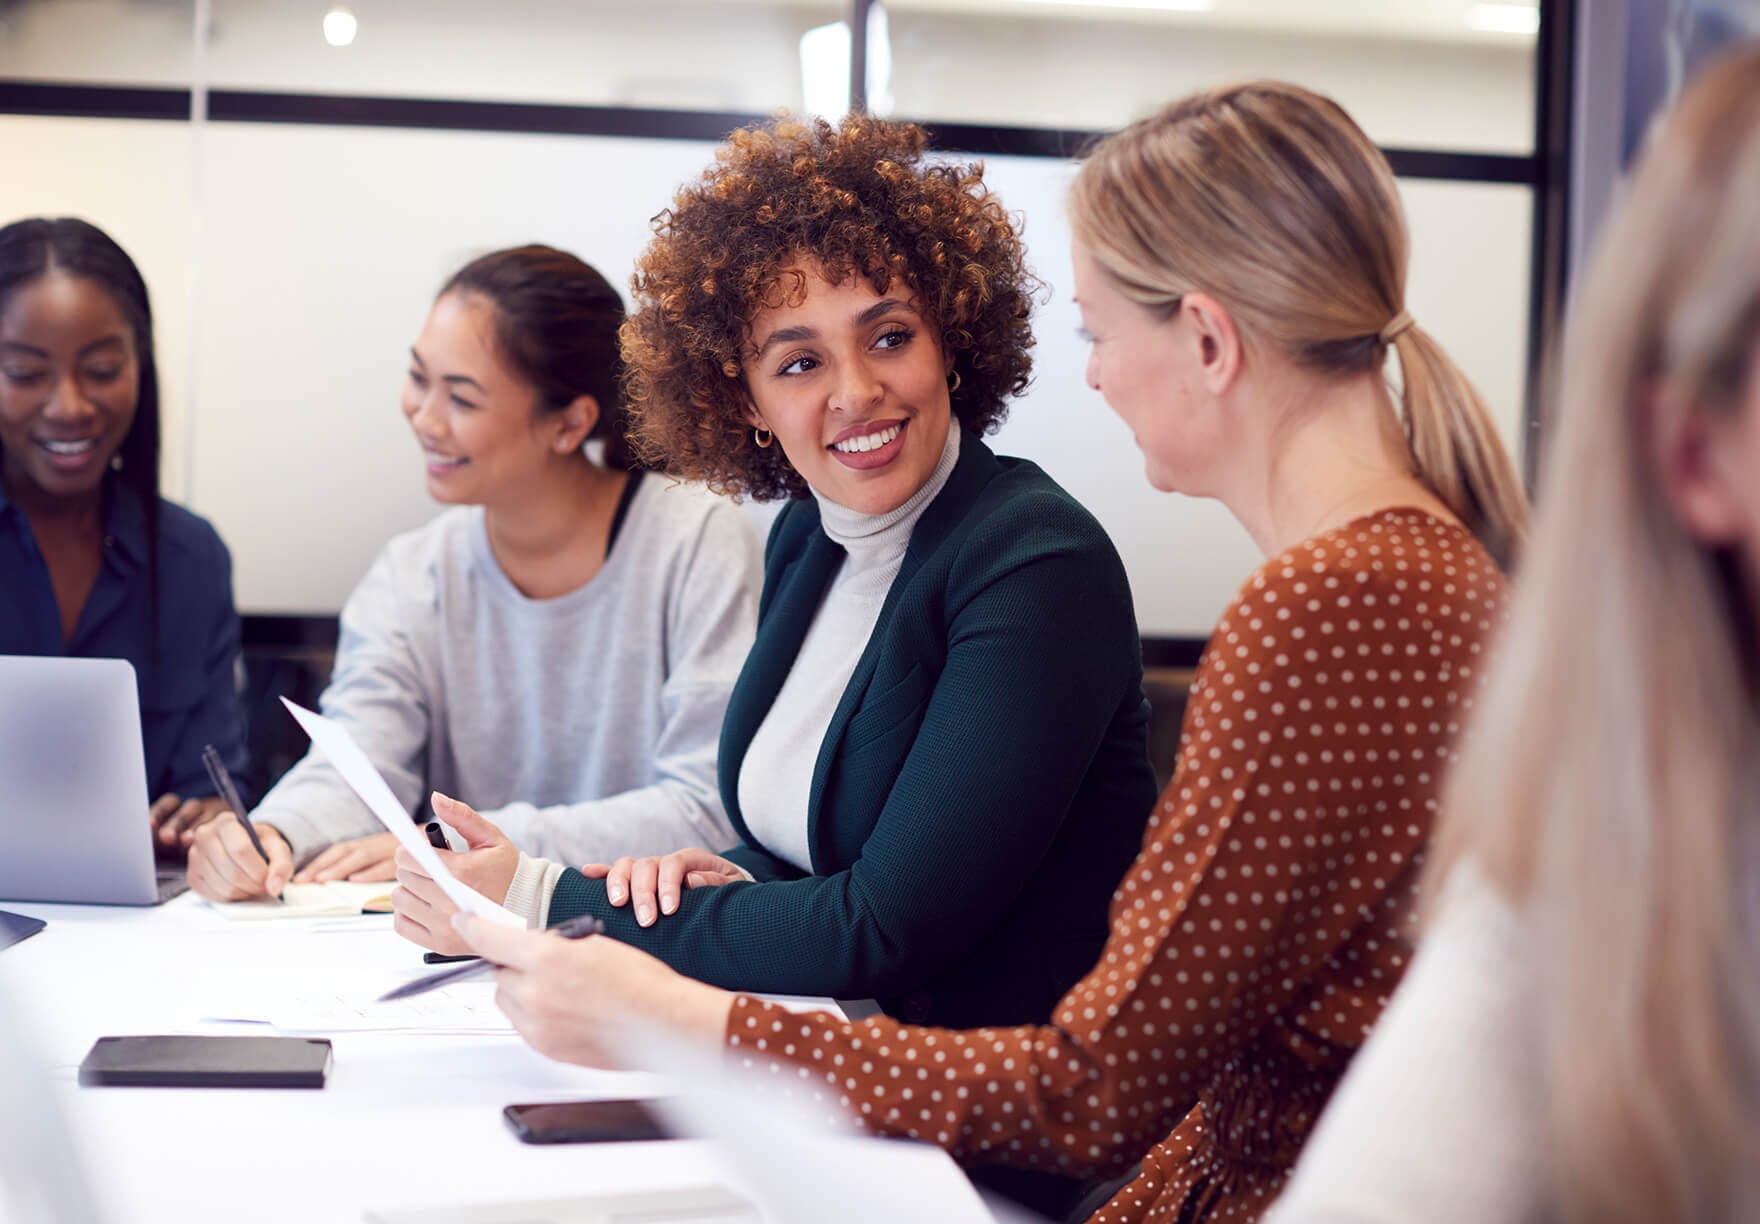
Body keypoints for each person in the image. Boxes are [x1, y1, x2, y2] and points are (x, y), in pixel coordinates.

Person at [447, 82, 1528, 1224]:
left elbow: (1091, 1089)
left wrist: (683, 1017)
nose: (1098, 375)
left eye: (1099, 333)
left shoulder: (1328, 609)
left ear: (1206, 339)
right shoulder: (1392, 580)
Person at [393, 115, 1159, 1036]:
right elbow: (810, 848)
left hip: (983, 1119)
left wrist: (542, 894)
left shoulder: (1034, 564)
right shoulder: (807, 537)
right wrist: (711, 872)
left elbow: (883, 927)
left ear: (951, 339)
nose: (855, 392)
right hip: (823, 1056)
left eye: (888, 337)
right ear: (746, 399)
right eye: (799, 362)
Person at [1268, 49, 1760, 1224]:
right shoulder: (1582, 915)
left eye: (1094, 328)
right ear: (1696, 459)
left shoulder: (1343, 589)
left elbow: (1102, 1066)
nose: (1094, 373)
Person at [186, 245, 759, 902]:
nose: (424, 418)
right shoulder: (412, 573)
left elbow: (705, 806)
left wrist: (466, 844)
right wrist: (272, 835)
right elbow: (359, 760)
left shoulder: (696, 538)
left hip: (637, 933)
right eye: (418, 377)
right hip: (461, 941)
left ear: (570, 422)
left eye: (460, 396)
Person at [0, 217, 247, 848]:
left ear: (141, 364)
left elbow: (214, 785)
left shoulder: (191, 558)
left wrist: (213, 822)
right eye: (27, 375)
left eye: (103, 369)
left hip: (144, 930)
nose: (70, 406)